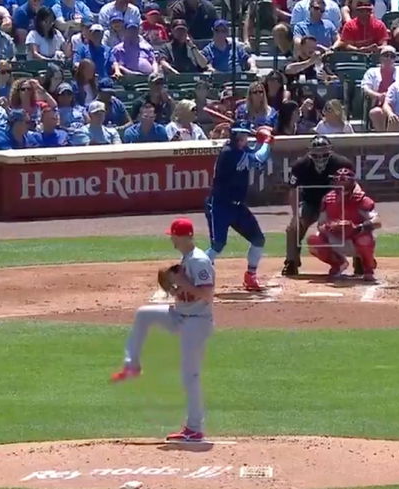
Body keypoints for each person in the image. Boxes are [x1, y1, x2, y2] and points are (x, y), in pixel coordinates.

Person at [110, 217, 216, 444]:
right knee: (144, 314)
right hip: (181, 315)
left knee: (190, 376)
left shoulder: (199, 260)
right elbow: (187, 293)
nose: (172, 240)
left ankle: (195, 429)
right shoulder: (187, 258)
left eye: (174, 236)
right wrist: (175, 288)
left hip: (196, 322)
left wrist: (181, 282)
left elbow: (207, 295)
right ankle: (132, 365)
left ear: (184, 236)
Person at [204, 121, 275, 291]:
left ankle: (250, 276)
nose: (243, 138)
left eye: (245, 135)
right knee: (218, 246)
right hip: (219, 205)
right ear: (233, 135)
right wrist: (266, 142)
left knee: (258, 240)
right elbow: (258, 158)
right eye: (240, 135)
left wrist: (260, 141)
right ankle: (193, 273)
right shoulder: (229, 153)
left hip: (237, 207)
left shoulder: (241, 150)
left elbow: (255, 153)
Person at [282, 135, 355, 276]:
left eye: (324, 154)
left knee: (354, 224)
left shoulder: (342, 164)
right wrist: (295, 215)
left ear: (331, 151)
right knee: (293, 228)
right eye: (316, 154)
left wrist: (350, 210)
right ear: (309, 152)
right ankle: (291, 261)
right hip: (311, 203)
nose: (320, 157)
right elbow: (293, 190)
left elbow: (353, 188)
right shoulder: (300, 166)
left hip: (336, 203)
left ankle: (361, 260)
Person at [306, 168, 381, 282]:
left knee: (365, 239)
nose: (341, 183)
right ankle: (338, 264)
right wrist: (331, 227)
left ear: (351, 182)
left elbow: (377, 222)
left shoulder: (361, 199)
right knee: (314, 240)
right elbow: (320, 225)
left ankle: (368, 268)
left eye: (345, 180)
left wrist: (358, 228)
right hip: (336, 238)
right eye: (339, 180)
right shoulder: (328, 199)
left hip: (355, 239)